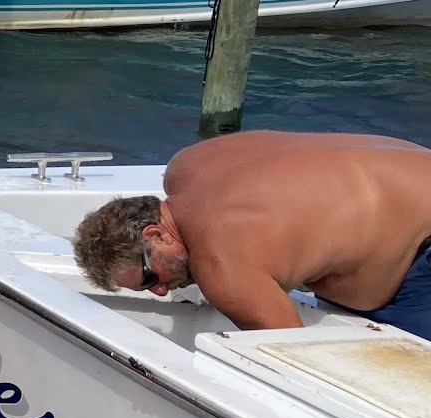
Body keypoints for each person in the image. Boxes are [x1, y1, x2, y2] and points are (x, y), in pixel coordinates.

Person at [74, 131, 431, 340]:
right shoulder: (189, 165)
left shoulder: (220, 264)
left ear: (156, 234)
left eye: (150, 279)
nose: (162, 291)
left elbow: (293, 356)